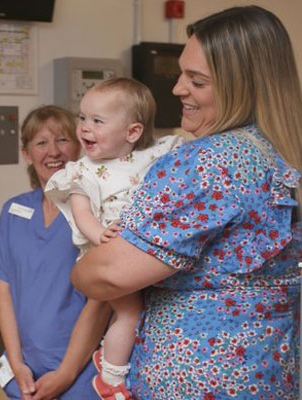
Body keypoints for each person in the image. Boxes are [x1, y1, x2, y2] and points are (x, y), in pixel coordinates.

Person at [72, 6, 301, 400]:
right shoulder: (281, 153)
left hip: (194, 376)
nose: (178, 89)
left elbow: (106, 275)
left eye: (196, 81)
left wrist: (81, 269)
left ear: (240, 85)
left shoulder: (208, 161)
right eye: (182, 74)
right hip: (267, 371)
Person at [45, 78, 184, 399]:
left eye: (97, 121)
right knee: (129, 312)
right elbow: (82, 215)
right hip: (108, 256)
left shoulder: (151, 156)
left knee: (151, 311)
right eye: (82, 118)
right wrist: (101, 235)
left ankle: (111, 351)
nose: (85, 128)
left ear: (132, 132)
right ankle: (111, 378)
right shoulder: (83, 172)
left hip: (145, 254)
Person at [0, 105, 111, 400]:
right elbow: (4, 292)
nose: (53, 152)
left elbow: (104, 298)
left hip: (80, 372)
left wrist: (67, 373)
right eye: (41, 143)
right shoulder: (14, 212)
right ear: (27, 154)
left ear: (79, 146)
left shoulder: (96, 214)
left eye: (62, 140)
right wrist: (16, 364)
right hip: (26, 372)